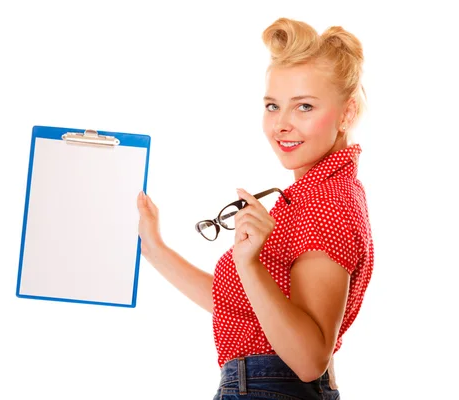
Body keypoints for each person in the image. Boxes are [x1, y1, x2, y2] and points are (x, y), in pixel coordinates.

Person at [137, 17, 374, 399]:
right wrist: (154, 248)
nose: (281, 124)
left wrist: (249, 264)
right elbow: (238, 305)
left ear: (345, 114)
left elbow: (310, 358)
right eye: (272, 105)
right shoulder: (311, 195)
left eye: (304, 107)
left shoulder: (327, 201)